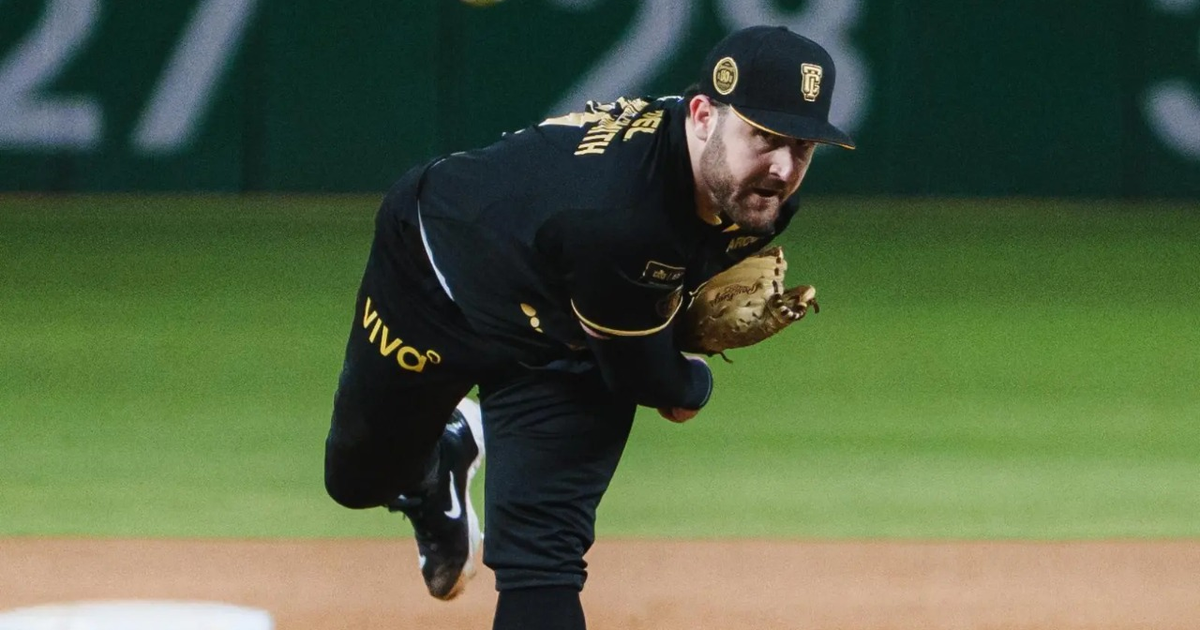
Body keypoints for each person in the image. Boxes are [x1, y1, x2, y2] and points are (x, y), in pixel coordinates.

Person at [324, 25, 855, 630]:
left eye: (804, 147)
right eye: (764, 136)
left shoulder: (755, 198)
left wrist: (665, 318)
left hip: (572, 338)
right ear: (703, 114)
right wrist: (691, 385)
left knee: (542, 561)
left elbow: (645, 304)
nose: (784, 169)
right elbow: (645, 375)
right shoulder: (620, 214)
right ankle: (437, 465)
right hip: (437, 281)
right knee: (359, 479)